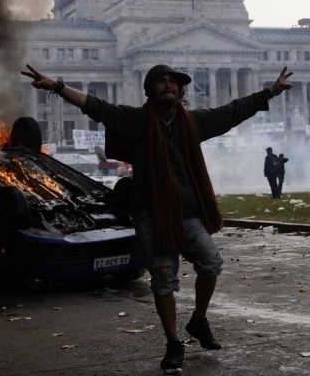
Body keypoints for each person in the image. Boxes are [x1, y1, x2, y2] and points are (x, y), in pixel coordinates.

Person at [21, 62, 293, 374]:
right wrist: (56, 86)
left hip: (187, 213)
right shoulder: (136, 120)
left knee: (211, 263)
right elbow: (96, 106)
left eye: (174, 82)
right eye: (162, 82)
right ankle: (173, 343)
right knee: (164, 282)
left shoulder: (194, 122)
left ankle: (198, 320)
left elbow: (233, 110)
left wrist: (270, 92)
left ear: (181, 90)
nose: (169, 86)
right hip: (151, 214)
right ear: (150, 90)